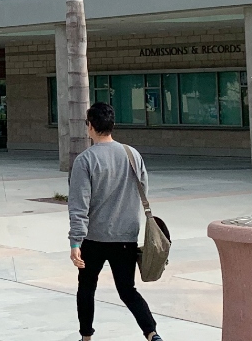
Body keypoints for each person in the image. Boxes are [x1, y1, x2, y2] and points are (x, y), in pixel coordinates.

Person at [68, 102, 160, 341]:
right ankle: (152, 334)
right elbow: (143, 191)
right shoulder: (132, 154)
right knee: (128, 290)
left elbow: (79, 204)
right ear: (111, 125)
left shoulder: (85, 160)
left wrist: (75, 242)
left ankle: (86, 337)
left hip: (94, 238)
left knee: (86, 288)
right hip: (126, 237)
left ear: (90, 126)